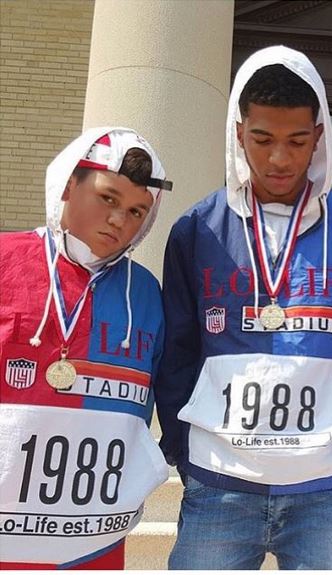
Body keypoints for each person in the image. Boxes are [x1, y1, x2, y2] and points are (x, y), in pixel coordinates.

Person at [155, 45, 332, 570]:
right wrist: (182, 447)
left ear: (319, 137)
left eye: (297, 141)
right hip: (218, 480)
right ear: (239, 133)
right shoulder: (197, 230)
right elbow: (177, 350)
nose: (279, 159)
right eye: (262, 139)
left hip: (324, 487)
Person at [0, 127, 173, 569]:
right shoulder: (5, 259)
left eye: (136, 211)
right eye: (107, 198)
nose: (119, 220)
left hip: (92, 543)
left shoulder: (147, 294)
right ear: (67, 185)